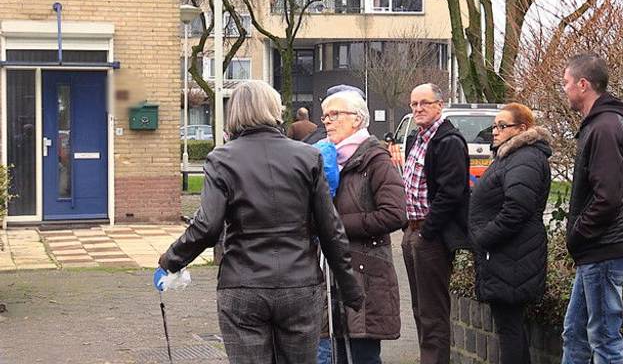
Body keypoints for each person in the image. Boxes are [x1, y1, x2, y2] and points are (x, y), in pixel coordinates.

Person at [157, 80, 363, 364]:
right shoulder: (308, 156)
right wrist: (349, 285)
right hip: (299, 284)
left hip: (243, 285)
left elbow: (207, 226)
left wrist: (171, 260)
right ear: (274, 110)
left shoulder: (221, 160)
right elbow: (330, 228)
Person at [560, 53, 623, 364]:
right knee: (575, 332)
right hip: (598, 249)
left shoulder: (605, 127)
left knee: (604, 341)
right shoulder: (602, 123)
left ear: (583, 84)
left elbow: (607, 198)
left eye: (566, 83)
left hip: (604, 249)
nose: (564, 89)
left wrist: (576, 235)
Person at [320, 90, 407, 364]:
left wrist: (336, 226)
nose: (327, 121)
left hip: (366, 274)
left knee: (363, 355)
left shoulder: (376, 160)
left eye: (335, 114)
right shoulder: (325, 159)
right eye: (325, 116)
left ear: (357, 119)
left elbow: (395, 214)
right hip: (328, 273)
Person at [468, 103, 552, 364]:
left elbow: (517, 208)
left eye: (502, 126)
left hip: (512, 255)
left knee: (510, 328)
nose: (495, 131)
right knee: (510, 327)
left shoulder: (525, 158)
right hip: (507, 255)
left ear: (523, 129)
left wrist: (483, 237)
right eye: (494, 126)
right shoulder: (511, 156)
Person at [402, 83, 470, 364]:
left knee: (433, 310)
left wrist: (428, 232)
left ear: (439, 105)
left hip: (431, 235)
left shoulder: (448, 141)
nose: (418, 109)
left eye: (424, 104)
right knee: (419, 307)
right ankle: (426, 357)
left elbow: (451, 193)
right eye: (414, 104)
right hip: (412, 230)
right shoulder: (418, 138)